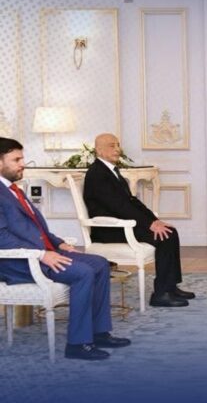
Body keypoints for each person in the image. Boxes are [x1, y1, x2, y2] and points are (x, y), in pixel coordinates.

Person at [0, 137, 130, 360]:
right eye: (16, 160)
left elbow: (37, 228)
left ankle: (99, 332)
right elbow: (1, 237)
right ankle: (78, 344)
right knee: (83, 272)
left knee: (99, 263)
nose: (23, 164)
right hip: (18, 261)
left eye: (22, 158)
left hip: (43, 252)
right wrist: (42, 254)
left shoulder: (14, 190)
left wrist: (59, 243)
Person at [83, 133, 194, 308]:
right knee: (165, 236)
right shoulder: (97, 174)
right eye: (112, 146)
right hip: (109, 230)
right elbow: (119, 206)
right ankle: (161, 294)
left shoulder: (111, 171)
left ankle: (170, 287)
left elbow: (131, 202)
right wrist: (150, 224)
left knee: (169, 232)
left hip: (123, 224)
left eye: (118, 145)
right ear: (99, 150)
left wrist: (155, 220)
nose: (117, 149)